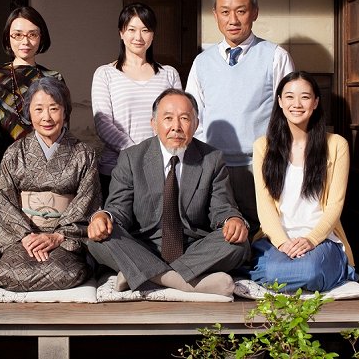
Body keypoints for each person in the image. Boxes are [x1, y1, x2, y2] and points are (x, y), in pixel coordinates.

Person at [87, 89, 250, 297]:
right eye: (168, 118)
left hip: (194, 248)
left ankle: (143, 275)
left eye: (184, 118)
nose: (176, 127)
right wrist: (103, 217)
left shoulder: (212, 159)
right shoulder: (131, 158)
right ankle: (183, 282)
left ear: (196, 124)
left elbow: (222, 208)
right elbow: (118, 210)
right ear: (153, 123)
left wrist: (232, 219)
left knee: (239, 242)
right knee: (98, 238)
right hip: (143, 246)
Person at [185, 0, 294, 236]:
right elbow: (193, 115)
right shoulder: (202, 62)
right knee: (220, 232)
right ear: (215, 16)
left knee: (262, 232)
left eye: (241, 11)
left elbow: (289, 115)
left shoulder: (275, 56)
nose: (233, 19)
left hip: (259, 165)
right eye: (225, 12)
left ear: (254, 13)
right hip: (214, 166)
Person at [0, 77, 100, 292]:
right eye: (38, 109)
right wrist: (26, 236)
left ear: (65, 112)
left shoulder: (84, 154)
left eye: (54, 109)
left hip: (63, 237)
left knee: (65, 272)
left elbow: (88, 200)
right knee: (8, 272)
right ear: (29, 112)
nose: (46, 117)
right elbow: (2, 200)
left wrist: (59, 236)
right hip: (23, 237)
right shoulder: (14, 153)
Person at [249, 71, 357, 292]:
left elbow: (335, 205)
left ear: (316, 102)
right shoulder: (263, 146)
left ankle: (332, 267)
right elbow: (265, 205)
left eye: (305, 97)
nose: (296, 104)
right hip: (278, 239)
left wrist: (311, 240)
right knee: (273, 274)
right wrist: (282, 242)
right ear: (279, 101)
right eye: (289, 97)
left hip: (321, 239)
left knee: (309, 272)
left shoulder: (336, 145)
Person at [0, 6, 64, 228]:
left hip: (48, 168)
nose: (24, 41)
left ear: (41, 37)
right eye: (17, 35)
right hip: (5, 168)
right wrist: (17, 159)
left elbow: (61, 125)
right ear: (8, 38)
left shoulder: (54, 78)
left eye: (32, 34)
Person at [92, 3, 182, 201]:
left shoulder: (169, 74)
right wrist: (138, 155)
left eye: (145, 30)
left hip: (162, 168)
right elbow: (103, 123)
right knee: (116, 228)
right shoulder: (105, 74)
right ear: (121, 33)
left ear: (153, 34)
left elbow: (178, 120)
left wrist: (154, 158)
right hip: (116, 169)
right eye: (131, 30)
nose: (138, 37)